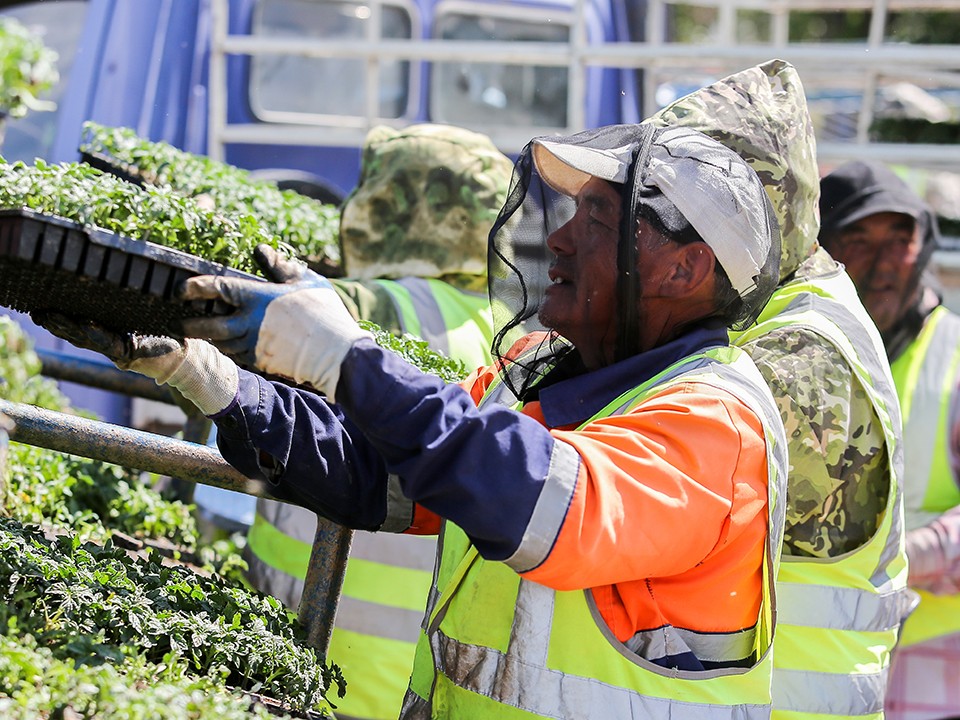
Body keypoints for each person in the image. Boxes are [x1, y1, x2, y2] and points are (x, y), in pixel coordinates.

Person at [45, 123, 788, 717]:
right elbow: (383, 477)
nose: (560, 239)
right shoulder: (544, 371)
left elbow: (549, 511)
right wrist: (210, 382)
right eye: (572, 212)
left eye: (598, 219)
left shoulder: (712, 421)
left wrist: (350, 359)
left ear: (684, 270)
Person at [647, 60, 910, 718]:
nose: (662, 228)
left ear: (751, 206)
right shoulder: (781, 312)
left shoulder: (797, 352)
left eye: (684, 207)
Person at [243, 123, 512, 720]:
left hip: (313, 653)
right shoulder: (513, 327)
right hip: (417, 679)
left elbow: (288, 318)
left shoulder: (382, 305)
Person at [819, 160, 959, 720]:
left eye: (902, 240)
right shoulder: (792, 355)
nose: (883, 264)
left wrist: (909, 554)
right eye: (858, 238)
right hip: (824, 681)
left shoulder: (954, 359)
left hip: (936, 683)